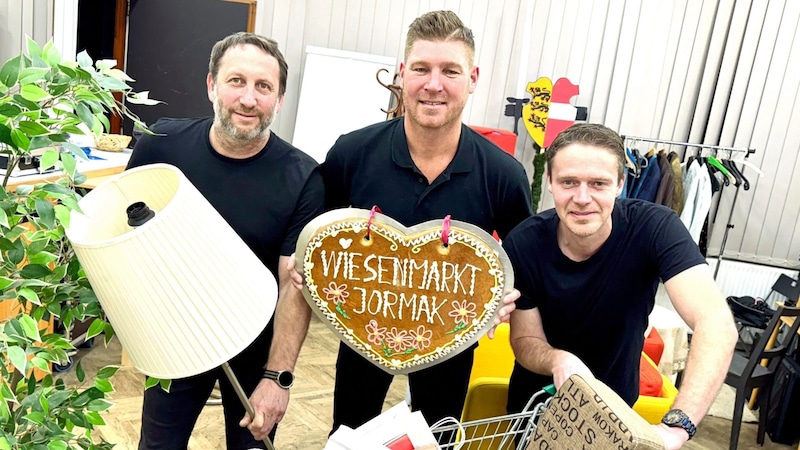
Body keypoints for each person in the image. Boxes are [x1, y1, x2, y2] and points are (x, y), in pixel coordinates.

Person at [317, 10, 534, 434]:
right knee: (349, 434)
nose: (434, 84)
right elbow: (318, 235)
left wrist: (507, 297)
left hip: (451, 341)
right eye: (421, 69)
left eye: (450, 71)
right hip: (364, 331)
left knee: (438, 438)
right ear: (402, 73)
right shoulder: (352, 154)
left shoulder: (503, 174)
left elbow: (526, 260)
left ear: (473, 78)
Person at [127, 32, 325, 449]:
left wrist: (278, 378)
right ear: (211, 84)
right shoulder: (160, 146)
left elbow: (293, 283)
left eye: (264, 87)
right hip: (175, 341)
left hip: (257, 348)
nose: (249, 99)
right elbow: (127, 239)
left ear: (280, 99)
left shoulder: (304, 177)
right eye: (236, 81)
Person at [503, 123, 737, 449]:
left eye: (598, 183)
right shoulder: (523, 244)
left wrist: (678, 425)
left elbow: (716, 323)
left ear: (620, 185)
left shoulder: (655, 228)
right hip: (535, 412)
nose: (582, 198)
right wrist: (558, 360)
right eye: (569, 182)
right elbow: (525, 338)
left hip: (616, 417)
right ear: (552, 184)